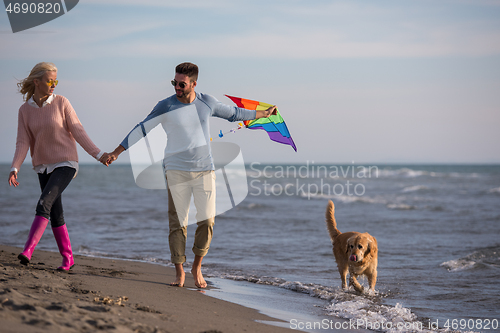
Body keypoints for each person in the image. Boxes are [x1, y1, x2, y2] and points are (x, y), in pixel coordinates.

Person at [105, 62, 276, 288]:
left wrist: (263, 113)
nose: (177, 87)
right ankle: (179, 271)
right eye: (174, 82)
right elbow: (141, 128)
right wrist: (116, 152)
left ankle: (197, 266)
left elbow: (234, 114)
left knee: (207, 221)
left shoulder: (207, 102)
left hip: (205, 170)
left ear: (194, 84)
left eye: (182, 84)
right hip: (175, 171)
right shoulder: (165, 106)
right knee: (178, 223)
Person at [8, 62, 110, 271]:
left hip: (66, 162)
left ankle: (28, 250)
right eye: (49, 81)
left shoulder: (62, 102)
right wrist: (14, 168)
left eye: (56, 80)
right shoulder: (24, 110)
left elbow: (78, 131)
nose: (54, 84)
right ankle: (68, 259)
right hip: (43, 166)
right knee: (55, 213)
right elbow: (23, 142)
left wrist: (99, 154)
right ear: (37, 82)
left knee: (44, 203)